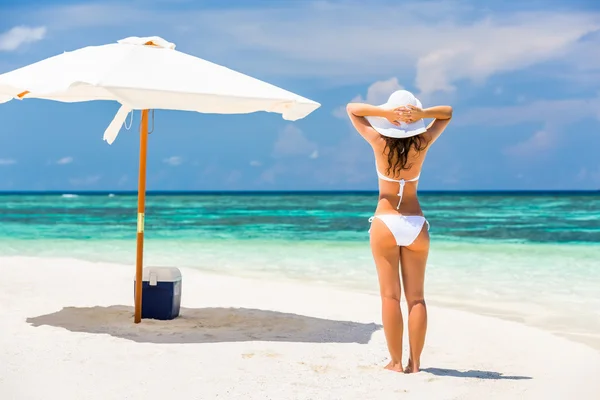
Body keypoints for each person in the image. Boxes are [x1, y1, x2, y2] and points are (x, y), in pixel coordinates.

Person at [346, 90, 452, 373]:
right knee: (417, 298)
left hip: (386, 221)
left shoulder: (378, 141)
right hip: (416, 224)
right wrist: (422, 115)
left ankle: (395, 362)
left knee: (390, 297)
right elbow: (447, 112)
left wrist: (385, 114)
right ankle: (415, 364)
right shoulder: (423, 142)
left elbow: (353, 109)